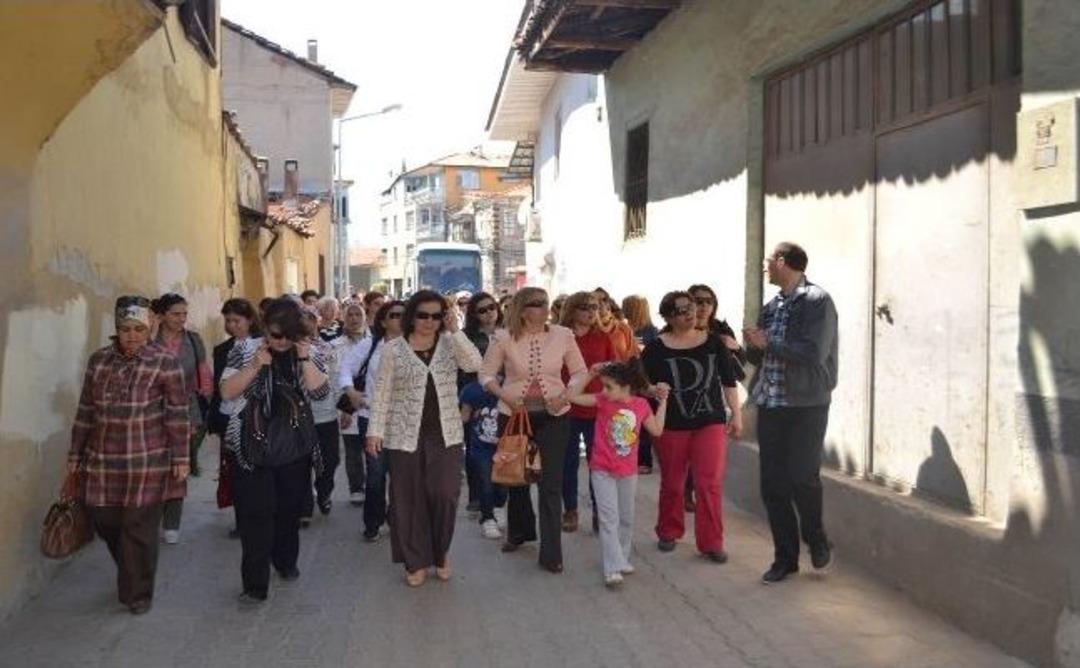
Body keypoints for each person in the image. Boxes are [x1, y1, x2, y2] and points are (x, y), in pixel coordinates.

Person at [68, 296, 190, 614]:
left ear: (149, 327)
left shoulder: (164, 361)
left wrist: (181, 458)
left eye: (138, 328)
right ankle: (131, 566)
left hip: (147, 460)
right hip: (103, 460)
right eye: (125, 329)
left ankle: (138, 594)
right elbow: (85, 410)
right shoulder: (99, 361)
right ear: (116, 329)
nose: (132, 336)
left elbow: (178, 413)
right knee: (103, 518)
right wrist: (74, 453)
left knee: (137, 528)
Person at [366, 291, 483, 587]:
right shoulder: (393, 350)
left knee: (445, 493)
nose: (429, 322)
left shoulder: (449, 343)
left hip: (446, 432)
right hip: (404, 434)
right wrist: (374, 432)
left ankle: (440, 550)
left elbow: (474, 365)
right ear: (411, 316)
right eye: (423, 315)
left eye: (436, 315)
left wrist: (455, 330)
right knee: (408, 499)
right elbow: (381, 393)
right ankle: (415, 561)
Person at [220, 298, 330, 604]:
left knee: (288, 511)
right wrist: (256, 366)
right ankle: (255, 584)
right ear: (264, 328)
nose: (278, 341)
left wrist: (305, 359)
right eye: (273, 333)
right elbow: (227, 391)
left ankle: (285, 560)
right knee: (255, 516)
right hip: (248, 446)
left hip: (293, 446)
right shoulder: (245, 349)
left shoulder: (311, 350)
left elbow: (320, 393)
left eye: (286, 335)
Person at [744, 242, 838, 585]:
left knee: (802, 476)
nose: (765, 266)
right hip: (772, 404)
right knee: (773, 486)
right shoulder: (771, 307)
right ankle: (785, 558)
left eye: (769, 260)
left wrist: (769, 344)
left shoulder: (817, 301)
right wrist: (750, 347)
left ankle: (816, 537)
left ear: (782, 262)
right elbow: (760, 358)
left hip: (807, 405)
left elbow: (814, 352)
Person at [480, 287, 588, 574]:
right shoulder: (503, 337)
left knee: (550, 484)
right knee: (516, 478)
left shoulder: (563, 334)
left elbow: (580, 372)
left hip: (555, 415)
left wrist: (566, 395)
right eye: (537, 303)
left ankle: (552, 553)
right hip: (514, 415)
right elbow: (486, 375)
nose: (544, 307)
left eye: (546, 302)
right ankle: (519, 531)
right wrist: (504, 396)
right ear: (522, 309)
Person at [642, 291, 743, 563]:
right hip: (671, 424)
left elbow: (728, 380)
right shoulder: (656, 348)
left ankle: (711, 542)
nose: (690, 313)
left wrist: (737, 414)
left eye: (691, 307)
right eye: (681, 310)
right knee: (673, 482)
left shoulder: (713, 342)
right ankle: (668, 531)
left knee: (708, 483)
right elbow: (641, 383)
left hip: (710, 421)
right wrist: (653, 390)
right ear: (667, 318)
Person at [568, 362, 668, 587]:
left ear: (626, 387)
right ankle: (611, 566)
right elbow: (572, 396)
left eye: (609, 387)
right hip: (602, 469)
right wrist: (590, 375)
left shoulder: (641, 405)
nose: (603, 391)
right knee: (608, 518)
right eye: (602, 386)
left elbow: (657, 430)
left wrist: (664, 403)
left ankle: (621, 558)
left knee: (626, 517)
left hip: (627, 472)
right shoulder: (602, 401)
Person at [339, 300, 404, 541]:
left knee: (400, 476)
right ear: (384, 321)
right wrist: (351, 392)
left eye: (405, 315)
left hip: (404, 421)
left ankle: (397, 519)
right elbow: (345, 368)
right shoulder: (371, 344)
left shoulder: (416, 345)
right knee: (376, 475)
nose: (400, 318)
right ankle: (373, 523)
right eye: (395, 315)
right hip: (372, 418)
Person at [151, 293, 211, 545]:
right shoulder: (148, 341)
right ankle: (152, 516)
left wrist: (201, 415)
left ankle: (172, 522)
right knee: (153, 467)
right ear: (162, 315)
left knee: (179, 466)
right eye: (176, 314)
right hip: (152, 411)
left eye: (184, 314)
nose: (181, 319)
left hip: (186, 409)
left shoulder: (193, 341)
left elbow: (204, 377)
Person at [683, 284, 748, 512]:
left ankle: (704, 494)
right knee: (687, 454)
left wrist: (736, 347)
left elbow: (740, 369)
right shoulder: (677, 328)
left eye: (708, 301)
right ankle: (686, 490)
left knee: (709, 455)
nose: (702, 306)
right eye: (697, 301)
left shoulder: (721, 330)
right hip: (684, 401)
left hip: (716, 400)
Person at [558, 291, 617, 534]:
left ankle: (598, 511)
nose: (592, 311)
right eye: (585, 307)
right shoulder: (560, 337)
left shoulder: (603, 338)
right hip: (566, 409)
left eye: (595, 307)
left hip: (596, 409)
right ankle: (570, 510)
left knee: (599, 466)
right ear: (572, 310)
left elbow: (615, 372)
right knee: (567, 464)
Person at [212, 298, 261, 539]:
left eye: (237, 321)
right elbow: (217, 387)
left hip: (257, 418)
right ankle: (242, 521)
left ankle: (260, 516)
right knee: (236, 473)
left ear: (250, 320)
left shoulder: (264, 345)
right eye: (228, 321)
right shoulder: (222, 350)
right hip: (229, 417)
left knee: (257, 472)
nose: (232, 326)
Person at [460, 292, 504, 517]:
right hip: (476, 396)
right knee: (475, 447)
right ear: (474, 315)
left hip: (504, 395)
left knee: (501, 445)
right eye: (482, 310)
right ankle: (476, 495)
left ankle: (498, 495)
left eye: (492, 307)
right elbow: (464, 370)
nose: (489, 313)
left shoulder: (508, 333)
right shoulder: (467, 337)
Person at [299, 306, 342, 526]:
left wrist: (343, 410)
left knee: (330, 461)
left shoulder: (329, 348)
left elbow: (336, 380)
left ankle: (324, 492)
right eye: (301, 318)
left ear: (317, 321)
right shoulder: (291, 349)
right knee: (301, 463)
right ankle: (304, 508)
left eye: (309, 318)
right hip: (301, 417)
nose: (306, 322)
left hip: (326, 416)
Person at [333, 300, 369, 506]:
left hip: (369, 403)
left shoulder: (376, 343)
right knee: (353, 448)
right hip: (344, 403)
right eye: (350, 315)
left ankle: (373, 486)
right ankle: (356, 488)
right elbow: (338, 378)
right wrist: (347, 408)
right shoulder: (334, 346)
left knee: (372, 450)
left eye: (358, 315)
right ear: (344, 318)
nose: (354, 319)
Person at [460, 378, 506, 540]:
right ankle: (487, 519)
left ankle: (499, 507)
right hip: (481, 447)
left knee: (501, 484)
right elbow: (464, 416)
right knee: (486, 482)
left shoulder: (507, 387)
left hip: (503, 446)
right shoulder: (471, 390)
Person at [621, 295, 659, 474]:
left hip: (643, 382)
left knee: (642, 423)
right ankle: (629, 458)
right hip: (629, 381)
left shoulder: (650, 332)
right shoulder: (623, 329)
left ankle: (643, 460)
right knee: (627, 422)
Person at [594, 289, 637, 362]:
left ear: (609, 304)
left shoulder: (623, 327)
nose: (600, 303)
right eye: (595, 300)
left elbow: (633, 355)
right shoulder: (587, 329)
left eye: (604, 300)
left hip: (621, 371)